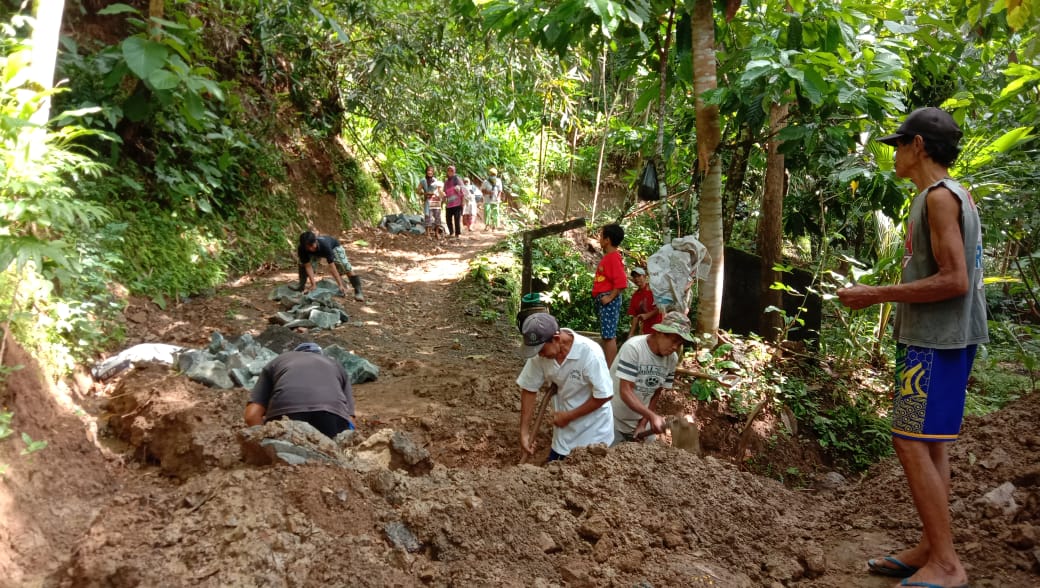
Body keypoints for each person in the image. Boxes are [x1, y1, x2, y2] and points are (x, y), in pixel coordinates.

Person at [837, 107, 987, 588]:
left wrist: (875, 294)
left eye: (899, 145)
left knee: (908, 440)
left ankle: (946, 563)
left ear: (918, 146)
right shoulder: (952, 194)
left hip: (934, 341)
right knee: (930, 442)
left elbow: (955, 279)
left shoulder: (938, 198)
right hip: (946, 338)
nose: (895, 155)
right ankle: (931, 546)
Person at [517, 313, 614, 462]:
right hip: (563, 435)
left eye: (542, 350)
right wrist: (524, 433)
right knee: (554, 469)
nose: (540, 355)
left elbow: (605, 395)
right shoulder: (540, 354)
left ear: (556, 339)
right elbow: (529, 389)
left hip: (594, 435)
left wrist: (569, 416)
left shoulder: (590, 353)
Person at [611, 311, 693, 445]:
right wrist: (651, 416)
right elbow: (625, 391)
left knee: (650, 453)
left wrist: (643, 423)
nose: (675, 347)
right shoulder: (634, 348)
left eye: (679, 344)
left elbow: (656, 393)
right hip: (612, 418)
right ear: (659, 333)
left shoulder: (672, 359)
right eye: (673, 341)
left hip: (638, 420)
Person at [244, 342, 356, 438]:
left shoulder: (278, 361)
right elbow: (350, 421)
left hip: (286, 415)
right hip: (332, 416)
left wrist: (262, 440)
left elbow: (252, 415)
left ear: (295, 353)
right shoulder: (336, 366)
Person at [592, 223, 627, 368]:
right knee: (607, 334)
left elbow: (621, 282)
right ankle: (608, 367)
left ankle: (609, 369)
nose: (599, 239)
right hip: (604, 299)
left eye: (601, 236)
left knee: (608, 336)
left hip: (608, 300)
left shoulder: (613, 258)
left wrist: (610, 297)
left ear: (607, 240)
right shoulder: (610, 257)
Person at [295, 231, 364, 302]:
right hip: (316, 253)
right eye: (307, 247)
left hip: (334, 247)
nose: (310, 249)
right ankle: (301, 286)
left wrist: (340, 285)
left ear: (315, 241)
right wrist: (313, 285)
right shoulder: (302, 249)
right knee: (302, 264)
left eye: (312, 246)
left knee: (345, 266)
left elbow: (332, 267)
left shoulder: (325, 246)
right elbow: (308, 266)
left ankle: (358, 290)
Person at [627, 266, 662, 338]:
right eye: (634, 277)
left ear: (645, 276)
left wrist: (647, 315)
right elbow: (635, 316)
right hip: (645, 330)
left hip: (659, 327)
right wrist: (631, 334)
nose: (636, 279)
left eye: (639, 276)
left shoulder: (654, 289)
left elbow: (662, 307)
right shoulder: (635, 296)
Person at [442, 165, 465, 240]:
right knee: (448, 219)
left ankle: (457, 234)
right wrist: (443, 200)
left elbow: (463, 189)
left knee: (457, 219)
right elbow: (444, 192)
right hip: (449, 204)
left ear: (454, 171)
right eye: (448, 171)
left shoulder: (457, 179)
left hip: (457, 203)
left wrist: (463, 201)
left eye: (451, 171)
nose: (450, 172)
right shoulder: (446, 182)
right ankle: (451, 232)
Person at [480, 167, 503, 231]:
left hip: (495, 200)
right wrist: (488, 192)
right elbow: (482, 190)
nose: (493, 176)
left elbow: (500, 190)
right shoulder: (486, 182)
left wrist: (498, 197)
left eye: (494, 174)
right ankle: (487, 225)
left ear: (496, 175)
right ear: (489, 174)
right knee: (487, 212)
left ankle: (494, 226)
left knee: (495, 213)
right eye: (492, 174)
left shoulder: (498, 181)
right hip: (487, 200)